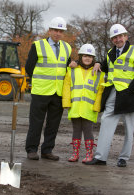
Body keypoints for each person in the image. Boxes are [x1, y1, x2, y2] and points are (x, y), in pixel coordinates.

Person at [85, 24, 134, 167]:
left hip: (129, 96)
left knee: (128, 128)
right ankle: (100, 157)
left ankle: (123, 158)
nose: (117, 39)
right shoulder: (110, 53)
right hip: (113, 94)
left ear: (125, 36)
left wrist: (130, 90)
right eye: (114, 37)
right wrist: (97, 63)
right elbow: (106, 67)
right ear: (112, 40)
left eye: (120, 36)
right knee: (106, 124)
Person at [25, 17, 72, 161]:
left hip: (58, 92)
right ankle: (32, 150)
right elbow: (29, 68)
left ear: (63, 33)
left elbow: (67, 67)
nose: (58, 33)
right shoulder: (38, 46)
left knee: (53, 124)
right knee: (36, 122)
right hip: (41, 91)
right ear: (50, 31)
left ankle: (47, 150)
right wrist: (40, 81)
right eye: (55, 30)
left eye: (60, 31)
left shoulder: (67, 48)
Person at [62, 44, 105, 163]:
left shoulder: (99, 73)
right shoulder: (72, 70)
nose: (87, 58)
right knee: (76, 129)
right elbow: (66, 87)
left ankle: (88, 154)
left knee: (88, 130)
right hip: (75, 106)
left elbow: (100, 91)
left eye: (90, 56)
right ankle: (75, 153)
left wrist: (97, 106)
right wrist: (66, 103)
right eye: (85, 56)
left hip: (89, 108)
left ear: (93, 59)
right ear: (80, 57)